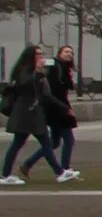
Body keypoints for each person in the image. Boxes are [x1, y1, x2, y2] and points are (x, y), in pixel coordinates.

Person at [2, 47, 61, 184]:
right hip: (25, 112)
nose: (40, 57)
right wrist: (39, 73)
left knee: (41, 141)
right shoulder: (23, 69)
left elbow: (40, 91)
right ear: (31, 56)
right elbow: (26, 86)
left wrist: (40, 74)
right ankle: (59, 172)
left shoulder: (34, 70)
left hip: (33, 111)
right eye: (38, 54)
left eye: (41, 54)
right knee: (36, 142)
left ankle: (59, 172)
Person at [41, 47, 80, 178]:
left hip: (58, 107)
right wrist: (65, 108)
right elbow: (54, 90)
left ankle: (28, 164)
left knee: (54, 142)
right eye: (66, 52)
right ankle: (65, 168)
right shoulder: (56, 66)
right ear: (59, 54)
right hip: (58, 108)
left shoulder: (65, 67)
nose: (69, 54)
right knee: (68, 139)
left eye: (71, 52)